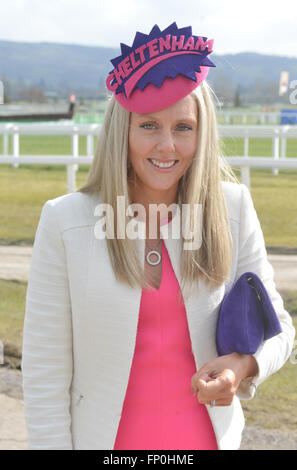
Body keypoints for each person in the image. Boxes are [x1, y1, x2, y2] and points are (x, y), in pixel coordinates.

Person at [22, 23, 295, 450]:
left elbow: (278, 328)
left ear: (201, 133)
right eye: (149, 126)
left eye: (183, 127)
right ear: (122, 131)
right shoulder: (65, 221)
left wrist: (244, 366)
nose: (167, 146)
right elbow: (44, 374)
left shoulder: (232, 208)